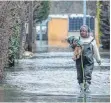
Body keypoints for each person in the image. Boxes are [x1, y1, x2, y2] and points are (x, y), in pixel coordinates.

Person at [75, 25, 101, 93]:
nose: (82, 32)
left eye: (84, 31)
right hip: (79, 60)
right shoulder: (78, 39)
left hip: (89, 61)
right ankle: (81, 86)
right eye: (81, 31)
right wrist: (73, 44)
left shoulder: (91, 40)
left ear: (87, 32)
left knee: (88, 73)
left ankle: (87, 86)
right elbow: (73, 48)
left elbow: (95, 51)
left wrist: (98, 59)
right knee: (80, 74)